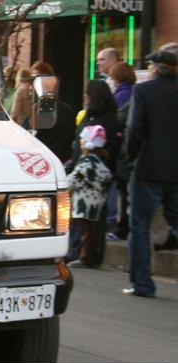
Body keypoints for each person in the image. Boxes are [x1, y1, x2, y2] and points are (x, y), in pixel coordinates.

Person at [124, 50, 178, 297]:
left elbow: (135, 128)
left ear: (155, 68)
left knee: (140, 226)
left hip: (149, 167)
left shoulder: (144, 91)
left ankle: (142, 283)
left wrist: (130, 157)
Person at [65, 80, 120, 264]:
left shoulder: (102, 121)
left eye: (87, 96)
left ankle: (82, 253)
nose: (85, 100)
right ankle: (83, 252)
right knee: (87, 219)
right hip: (92, 174)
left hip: (89, 177)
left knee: (86, 219)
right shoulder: (98, 117)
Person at [67, 125, 114, 267]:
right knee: (91, 231)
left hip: (84, 202)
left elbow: (74, 180)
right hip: (96, 201)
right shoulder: (101, 160)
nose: (80, 141)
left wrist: (64, 185)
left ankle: (85, 258)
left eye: (82, 139)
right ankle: (89, 258)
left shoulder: (87, 162)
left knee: (85, 232)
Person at [107, 62, 137, 240]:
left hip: (124, 153)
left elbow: (120, 121)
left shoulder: (124, 95)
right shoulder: (130, 92)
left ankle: (121, 227)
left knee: (123, 193)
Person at [30, 61, 75, 164]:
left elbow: (65, 142)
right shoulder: (32, 108)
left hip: (52, 161)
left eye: (37, 79)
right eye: (32, 80)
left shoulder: (66, 111)